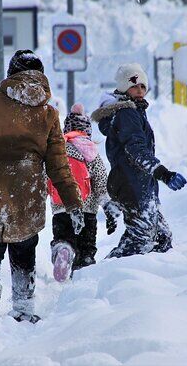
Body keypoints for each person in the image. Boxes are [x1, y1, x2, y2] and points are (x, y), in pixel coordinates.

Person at [0, 50, 84, 323]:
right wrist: (73, 202)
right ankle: (23, 307)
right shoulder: (47, 114)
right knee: (24, 246)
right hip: (26, 188)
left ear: (11, 74)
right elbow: (59, 165)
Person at [91, 63, 187, 259]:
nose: (140, 90)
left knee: (162, 237)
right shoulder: (127, 114)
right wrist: (163, 173)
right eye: (134, 86)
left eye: (143, 86)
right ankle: (104, 274)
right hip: (131, 184)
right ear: (124, 88)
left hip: (139, 183)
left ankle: (150, 280)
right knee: (140, 239)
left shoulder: (134, 111)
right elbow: (136, 149)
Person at [47, 103, 120, 282]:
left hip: (61, 208)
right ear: (87, 130)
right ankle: (83, 278)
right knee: (86, 249)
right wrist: (107, 205)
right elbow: (101, 182)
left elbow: (45, 177)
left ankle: (63, 249)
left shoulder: (58, 150)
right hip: (87, 211)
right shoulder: (90, 151)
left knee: (63, 238)